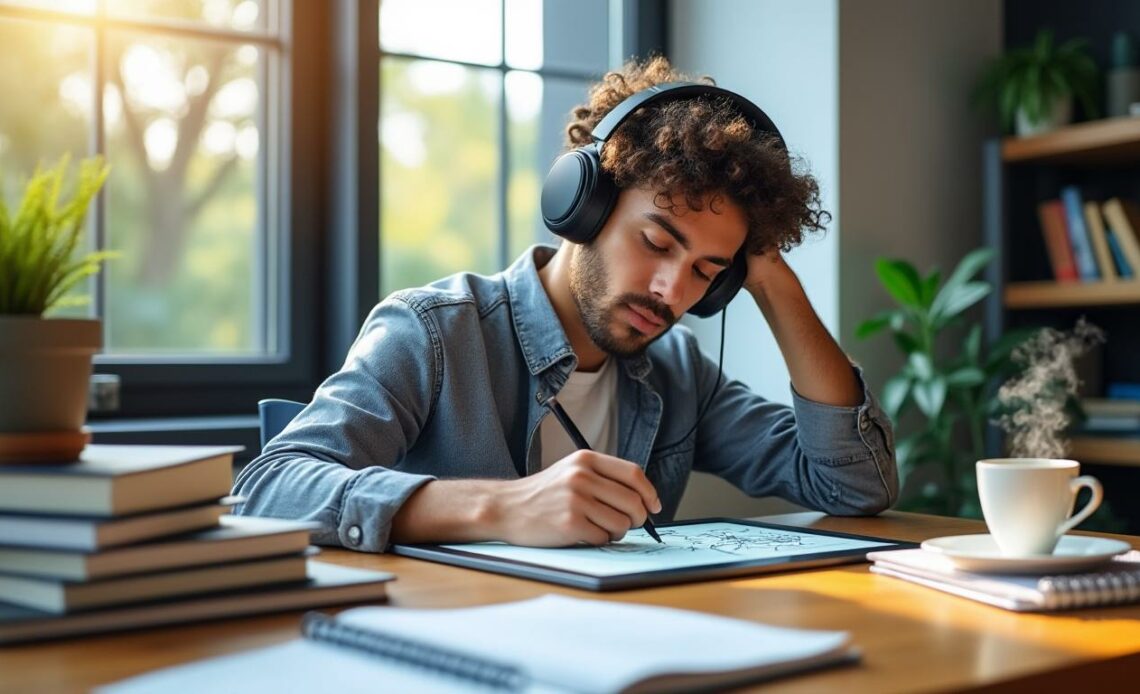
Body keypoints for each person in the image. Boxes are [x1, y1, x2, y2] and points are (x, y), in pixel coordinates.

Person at [233, 56, 898, 552]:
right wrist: (502, 508)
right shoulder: (434, 333)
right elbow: (269, 488)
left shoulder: (680, 377)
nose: (672, 291)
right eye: (656, 242)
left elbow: (853, 484)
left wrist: (772, 281)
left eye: (707, 272)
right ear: (582, 207)